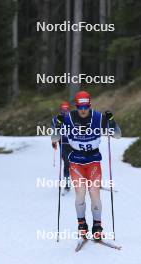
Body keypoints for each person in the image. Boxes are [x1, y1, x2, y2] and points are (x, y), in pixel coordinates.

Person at [52, 91, 121, 240]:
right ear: (76, 106)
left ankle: (97, 226)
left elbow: (117, 135)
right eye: (80, 106)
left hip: (93, 161)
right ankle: (82, 224)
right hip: (76, 162)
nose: (83, 110)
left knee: (95, 194)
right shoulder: (68, 118)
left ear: (89, 105)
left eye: (86, 106)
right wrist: (57, 126)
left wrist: (112, 122)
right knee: (80, 194)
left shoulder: (98, 117)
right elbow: (54, 138)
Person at [51, 101, 72, 191]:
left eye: (66, 109)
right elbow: (54, 132)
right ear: (60, 109)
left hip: (74, 143)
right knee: (67, 163)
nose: (65, 111)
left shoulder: (73, 118)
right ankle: (67, 184)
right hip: (63, 144)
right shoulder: (55, 119)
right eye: (63, 109)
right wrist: (54, 142)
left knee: (78, 163)